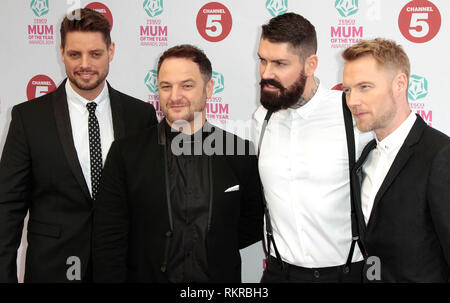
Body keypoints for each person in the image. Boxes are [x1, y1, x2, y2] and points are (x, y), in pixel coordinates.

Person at [0, 8, 157, 283]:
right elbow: (7, 209)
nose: (85, 64)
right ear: (61, 52)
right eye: (75, 54)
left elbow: (150, 202)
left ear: (111, 50)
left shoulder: (140, 116)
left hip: (122, 269)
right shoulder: (28, 118)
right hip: (52, 269)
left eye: (95, 54)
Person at [92, 44, 263, 283]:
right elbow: (108, 239)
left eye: (187, 85)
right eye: (166, 86)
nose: (175, 96)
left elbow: (252, 223)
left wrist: (214, 245)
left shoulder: (240, 153)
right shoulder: (126, 154)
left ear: (209, 88)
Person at [252, 12, 373, 282]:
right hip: (278, 273)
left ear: (311, 64)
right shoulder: (262, 118)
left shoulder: (351, 113)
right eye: (262, 60)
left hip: (346, 273)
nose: (266, 73)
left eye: (280, 63)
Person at [342, 38, 450, 282]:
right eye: (348, 90)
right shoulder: (366, 156)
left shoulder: (440, 154)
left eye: (365, 87)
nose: (352, 101)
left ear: (400, 83)